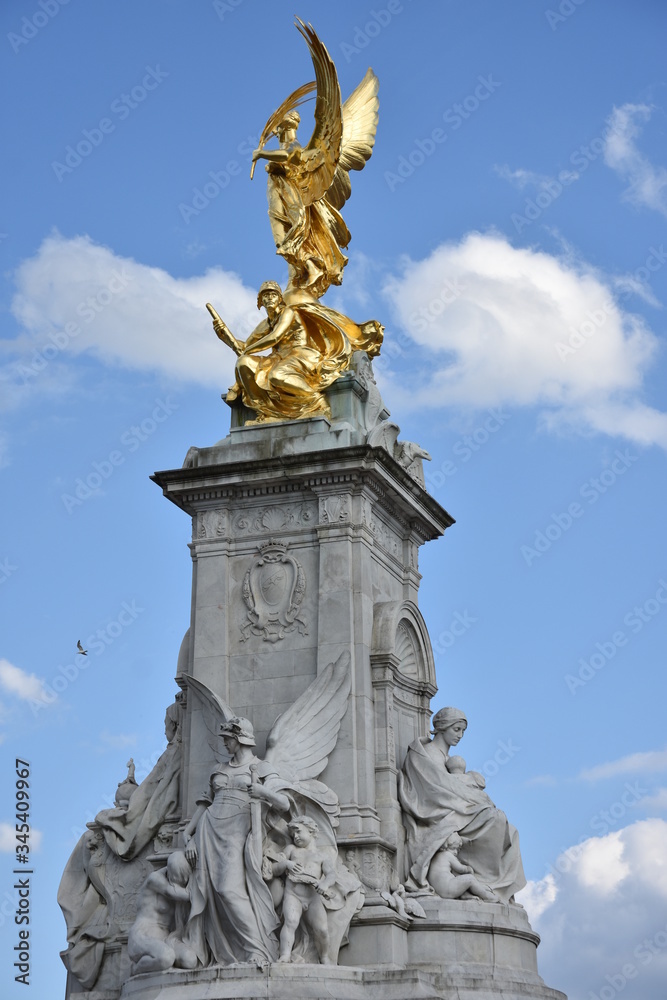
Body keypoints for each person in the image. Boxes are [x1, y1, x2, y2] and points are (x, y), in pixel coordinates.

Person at [183, 717, 290, 966]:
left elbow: (284, 804)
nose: (225, 744)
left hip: (237, 831)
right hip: (208, 831)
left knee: (228, 889)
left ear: (241, 738)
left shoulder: (261, 768)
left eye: (228, 739)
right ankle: (227, 950)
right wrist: (188, 835)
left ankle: (258, 950)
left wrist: (262, 792)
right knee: (210, 891)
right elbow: (204, 804)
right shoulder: (218, 770)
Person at [398, 707, 525, 903]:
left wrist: (470, 793)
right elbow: (434, 791)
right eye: (456, 729)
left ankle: (491, 884)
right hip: (435, 811)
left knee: (508, 827)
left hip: (453, 808)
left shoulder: (447, 759)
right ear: (442, 727)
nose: (460, 736)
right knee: (494, 818)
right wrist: (470, 790)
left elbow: (448, 787)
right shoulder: (425, 754)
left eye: (463, 731)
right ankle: (487, 884)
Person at [210, 281, 383, 422]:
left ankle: (317, 402)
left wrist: (246, 349)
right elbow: (243, 348)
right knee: (243, 363)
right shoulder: (265, 324)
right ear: (260, 301)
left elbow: (275, 337)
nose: (269, 298)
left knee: (277, 376)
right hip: (278, 358)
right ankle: (266, 410)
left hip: (301, 354)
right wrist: (225, 337)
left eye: (273, 295)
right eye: (265, 295)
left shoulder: (289, 312)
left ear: (280, 298)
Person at [269, 816, 336, 964]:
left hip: (313, 898)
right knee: (291, 922)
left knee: (322, 930)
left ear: (311, 831)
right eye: (293, 835)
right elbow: (273, 869)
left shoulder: (322, 855)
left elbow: (331, 875)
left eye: (298, 832)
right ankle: (285, 955)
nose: (296, 836)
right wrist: (287, 864)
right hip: (293, 895)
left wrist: (324, 884)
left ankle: (324, 957)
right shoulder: (291, 850)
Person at [127, 851, 197, 973]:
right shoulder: (155, 879)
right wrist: (204, 891)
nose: (177, 884)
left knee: (190, 961)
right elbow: (173, 893)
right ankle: (135, 969)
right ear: (169, 871)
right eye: (176, 879)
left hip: (167, 938)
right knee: (166, 958)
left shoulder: (179, 880)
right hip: (143, 935)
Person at [428, 833, 499, 903]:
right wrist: (468, 869)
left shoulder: (437, 857)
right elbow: (461, 869)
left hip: (439, 890)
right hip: (447, 888)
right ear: (445, 846)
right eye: (453, 848)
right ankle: (487, 896)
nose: (455, 852)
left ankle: (465, 895)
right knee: (470, 879)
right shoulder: (447, 855)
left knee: (458, 878)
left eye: (457, 849)